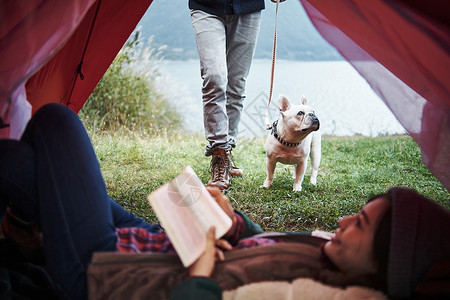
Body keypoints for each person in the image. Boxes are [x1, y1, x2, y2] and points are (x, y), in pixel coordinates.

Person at [1, 104, 449, 300]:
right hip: (161, 241)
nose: (344, 220)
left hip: (110, 273)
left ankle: (38, 234)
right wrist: (235, 223)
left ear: (386, 267)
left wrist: (198, 275)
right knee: (22, 163)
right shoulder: (331, 258)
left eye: (362, 226)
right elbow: (261, 250)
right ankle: (33, 227)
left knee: (56, 122)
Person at [189, 0, 265, 190]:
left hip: (249, 7)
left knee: (236, 85)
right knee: (214, 78)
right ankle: (219, 154)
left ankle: (227, 151)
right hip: (206, 6)